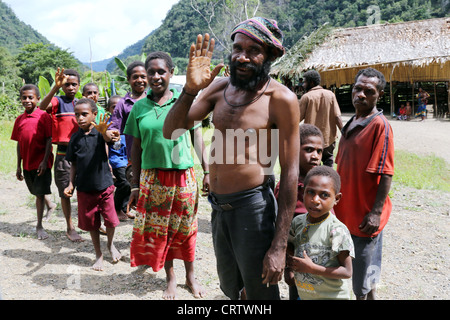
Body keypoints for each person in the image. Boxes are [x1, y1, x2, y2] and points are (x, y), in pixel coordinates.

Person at [163, 17, 300, 300]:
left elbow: (290, 172)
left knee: (261, 292)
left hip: (254, 207)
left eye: (253, 50)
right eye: (238, 48)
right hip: (218, 208)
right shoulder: (218, 89)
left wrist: (279, 245)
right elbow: (170, 130)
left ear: (271, 55)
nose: (242, 56)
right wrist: (190, 90)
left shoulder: (281, 99)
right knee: (231, 288)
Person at [124, 51, 210, 300]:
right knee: (163, 230)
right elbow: (135, 149)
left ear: (171, 73)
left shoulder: (184, 104)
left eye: (161, 71)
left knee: (187, 227)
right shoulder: (139, 107)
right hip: (153, 178)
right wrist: (134, 185)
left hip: (183, 175)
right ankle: (171, 278)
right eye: (151, 72)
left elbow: (197, 138)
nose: (155, 76)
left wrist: (207, 170)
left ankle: (190, 276)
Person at [334, 67, 394, 300]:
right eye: (357, 89)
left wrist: (375, 213)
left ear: (378, 94)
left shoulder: (380, 126)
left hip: (364, 216)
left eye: (368, 91)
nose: (361, 94)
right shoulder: (351, 123)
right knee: (357, 268)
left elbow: (386, 173)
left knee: (363, 276)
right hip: (346, 213)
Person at [64, 98, 122, 271]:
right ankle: (98, 254)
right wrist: (70, 184)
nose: (80, 118)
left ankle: (110, 245)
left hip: (104, 186)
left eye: (84, 114)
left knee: (111, 221)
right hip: (84, 189)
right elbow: (73, 163)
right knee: (92, 224)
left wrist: (105, 132)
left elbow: (111, 140)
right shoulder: (75, 138)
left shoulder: (100, 133)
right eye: (77, 115)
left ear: (94, 115)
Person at [287, 166, 354, 300]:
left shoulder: (337, 230)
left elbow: (347, 271)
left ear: (336, 198)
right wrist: (288, 269)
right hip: (306, 295)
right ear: (303, 192)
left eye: (324, 195)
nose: (315, 200)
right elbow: (291, 247)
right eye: (310, 192)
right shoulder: (298, 222)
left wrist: (312, 269)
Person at [274, 123, 324, 300]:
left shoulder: (324, 184)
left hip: (322, 263)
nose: (315, 156)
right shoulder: (288, 187)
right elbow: (284, 230)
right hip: (299, 264)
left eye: (319, 151)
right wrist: (289, 267)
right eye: (309, 149)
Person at [39, 68, 83, 242]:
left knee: (87, 191)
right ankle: (69, 227)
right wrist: (54, 88)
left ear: (79, 85)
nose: (71, 87)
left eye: (74, 84)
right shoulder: (57, 101)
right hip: (64, 155)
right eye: (67, 84)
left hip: (83, 154)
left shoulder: (82, 103)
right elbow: (42, 107)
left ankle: (90, 223)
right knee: (65, 192)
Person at [11, 84, 56, 240]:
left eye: (31, 97)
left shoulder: (43, 116)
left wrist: (45, 161)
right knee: (35, 190)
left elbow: (49, 139)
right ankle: (50, 205)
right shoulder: (19, 119)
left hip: (41, 162)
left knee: (39, 193)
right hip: (27, 163)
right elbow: (19, 142)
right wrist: (18, 165)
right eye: (24, 97)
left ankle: (39, 226)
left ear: (38, 98)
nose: (27, 100)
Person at [109, 61, 148, 219]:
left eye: (143, 76)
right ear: (128, 79)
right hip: (134, 157)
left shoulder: (155, 100)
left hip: (155, 155)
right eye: (135, 77)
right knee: (136, 188)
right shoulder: (122, 105)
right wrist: (109, 134)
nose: (140, 80)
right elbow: (114, 128)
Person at [299, 70, 343, 167]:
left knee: (313, 165)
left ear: (311, 83)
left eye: (305, 82)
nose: (303, 84)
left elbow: (297, 118)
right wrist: (344, 133)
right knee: (328, 163)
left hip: (311, 139)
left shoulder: (306, 97)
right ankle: (329, 181)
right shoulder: (330, 94)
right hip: (329, 139)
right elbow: (337, 116)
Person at [106, 95, 129, 221]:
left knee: (131, 183)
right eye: (114, 107)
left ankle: (126, 208)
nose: (118, 109)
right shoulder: (109, 125)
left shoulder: (128, 122)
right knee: (124, 183)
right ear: (108, 109)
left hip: (128, 159)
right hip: (116, 161)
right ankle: (116, 208)